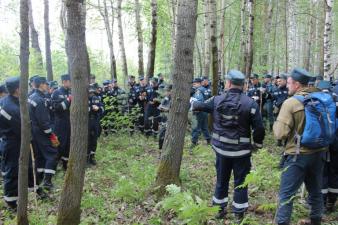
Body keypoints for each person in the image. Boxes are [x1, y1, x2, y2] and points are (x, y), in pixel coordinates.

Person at [191, 70, 265, 223]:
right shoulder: (250, 103)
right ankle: (239, 213)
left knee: (221, 179)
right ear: (243, 85)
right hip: (242, 152)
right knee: (241, 181)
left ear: (229, 83)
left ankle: (219, 209)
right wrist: (256, 145)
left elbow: (200, 106)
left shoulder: (217, 100)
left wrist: (192, 102)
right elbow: (259, 129)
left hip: (221, 150)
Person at [273, 68, 327, 225]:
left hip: (297, 155)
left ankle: (282, 222)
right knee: (316, 191)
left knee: (286, 194)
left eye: (289, 83)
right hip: (319, 153)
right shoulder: (322, 98)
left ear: (297, 84)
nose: (287, 86)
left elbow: (280, 133)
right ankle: (316, 220)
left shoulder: (290, 103)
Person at [0, 77, 36, 209]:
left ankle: (26, 191)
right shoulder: (9, 107)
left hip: (18, 142)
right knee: (12, 170)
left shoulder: (15, 101)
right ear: (17, 89)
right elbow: (21, 128)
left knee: (23, 168)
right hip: (12, 143)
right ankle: (11, 201)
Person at [28, 77, 60, 189]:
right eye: (46, 84)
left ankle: (39, 178)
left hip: (34, 132)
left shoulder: (31, 97)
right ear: (41, 85)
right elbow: (43, 121)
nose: (47, 86)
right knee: (52, 154)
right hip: (41, 133)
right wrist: (51, 134)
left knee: (40, 156)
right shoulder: (39, 100)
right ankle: (47, 182)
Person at [318, 80, 338, 213]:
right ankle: (331, 201)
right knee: (335, 171)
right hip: (336, 141)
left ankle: (322, 202)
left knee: (322, 171)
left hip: (322, 142)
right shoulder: (334, 100)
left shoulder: (316, 100)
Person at [51, 74, 72, 170]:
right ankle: (53, 168)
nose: (71, 84)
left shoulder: (70, 92)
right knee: (59, 145)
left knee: (68, 145)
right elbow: (57, 108)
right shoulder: (56, 93)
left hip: (69, 123)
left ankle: (65, 166)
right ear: (64, 82)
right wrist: (68, 100)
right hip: (60, 125)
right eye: (70, 81)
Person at [190, 77, 211, 149]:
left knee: (196, 127)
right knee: (204, 127)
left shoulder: (198, 90)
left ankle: (193, 142)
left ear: (199, 83)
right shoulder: (205, 90)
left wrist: (194, 106)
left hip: (199, 111)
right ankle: (209, 140)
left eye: (194, 84)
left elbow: (199, 101)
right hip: (205, 111)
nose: (193, 85)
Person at [87, 85, 104, 165]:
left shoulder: (97, 98)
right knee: (87, 140)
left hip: (96, 121)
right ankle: (86, 157)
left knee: (94, 140)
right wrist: (91, 108)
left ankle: (92, 156)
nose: (91, 94)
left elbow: (102, 108)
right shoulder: (84, 99)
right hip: (87, 122)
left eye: (92, 92)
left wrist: (98, 109)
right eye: (89, 92)